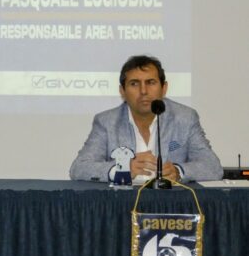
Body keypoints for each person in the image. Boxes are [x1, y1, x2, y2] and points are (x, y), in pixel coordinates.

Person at [69, 55, 223, 183]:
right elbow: (79, 168)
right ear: (122, 91)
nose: (143, 91)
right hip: (123, 202)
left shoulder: (185, 118)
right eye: (134, 84)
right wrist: (122, 169)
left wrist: (178, 171)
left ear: (164, 88)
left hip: (170, 203)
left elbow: (213, 167)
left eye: (151, 82)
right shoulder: (106, 122)